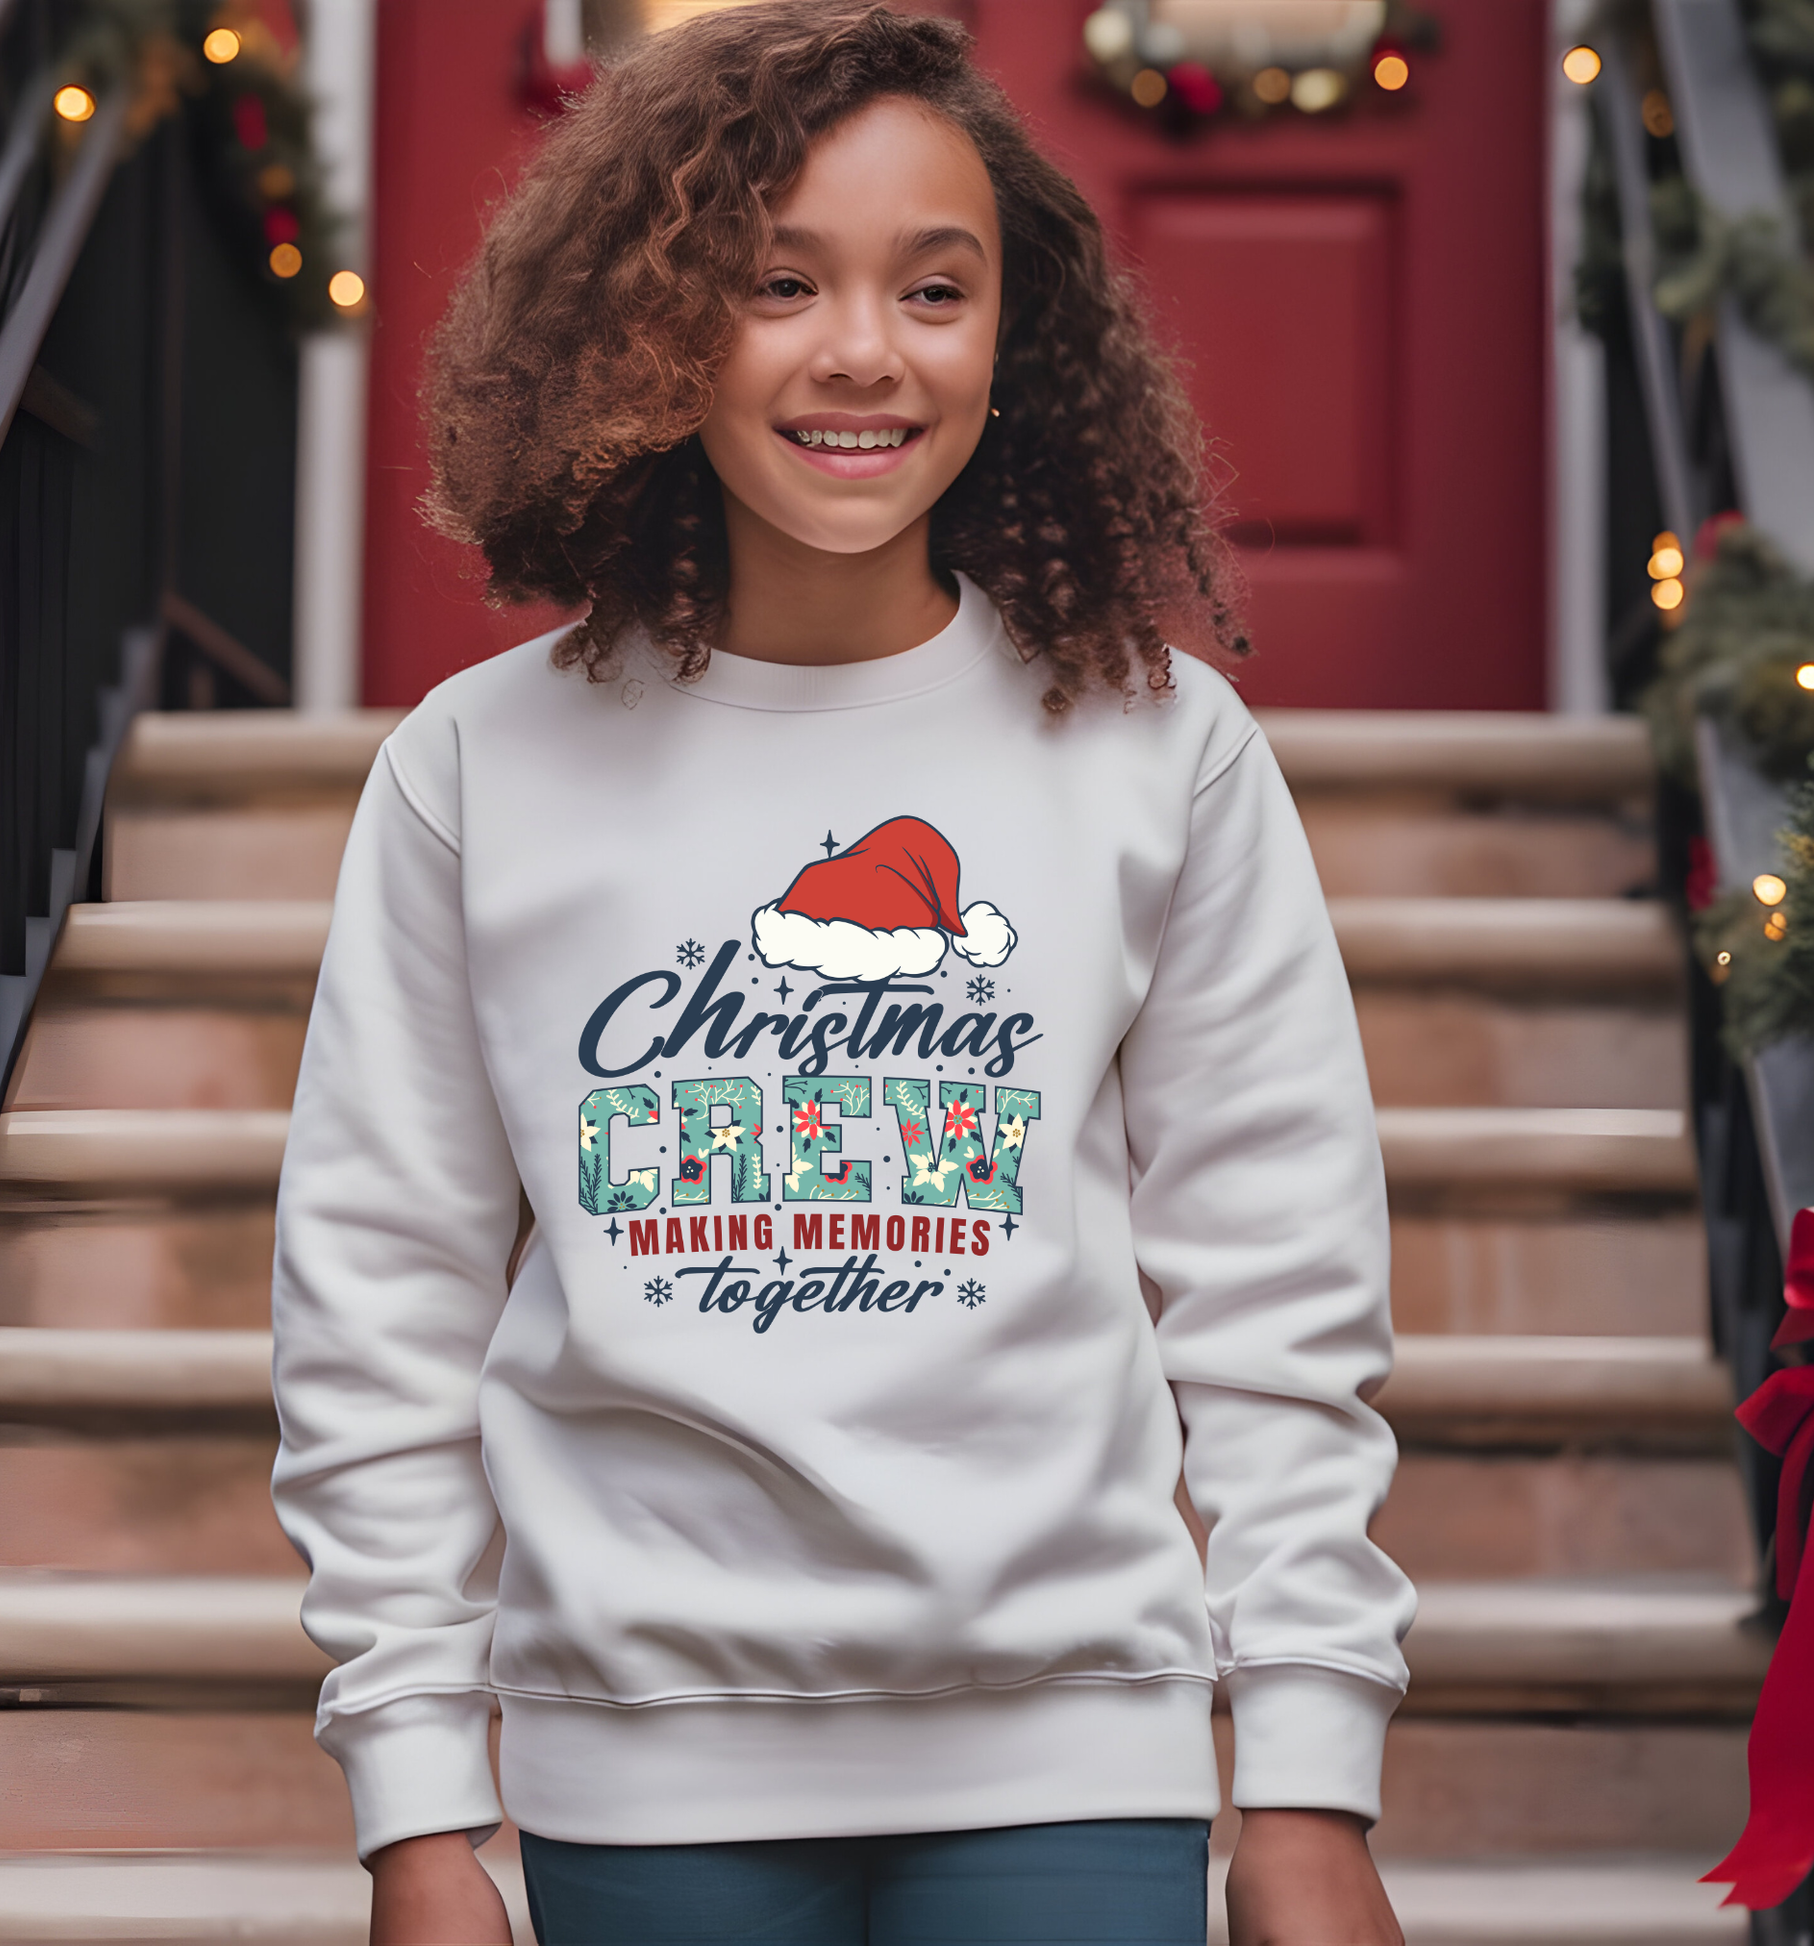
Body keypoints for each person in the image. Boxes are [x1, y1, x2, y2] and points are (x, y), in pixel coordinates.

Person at [269, 7, 1416, 1942]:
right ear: (651, 330)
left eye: (934, 288)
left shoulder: (1159, 747)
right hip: (644, 1763)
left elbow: (1282, 1286)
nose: (863, 349)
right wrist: (412, 1802)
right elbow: (376, 1302)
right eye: (777, 283)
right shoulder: (477, 769)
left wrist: (1305, 1775)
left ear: (1013, 339)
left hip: (1075, 1750)